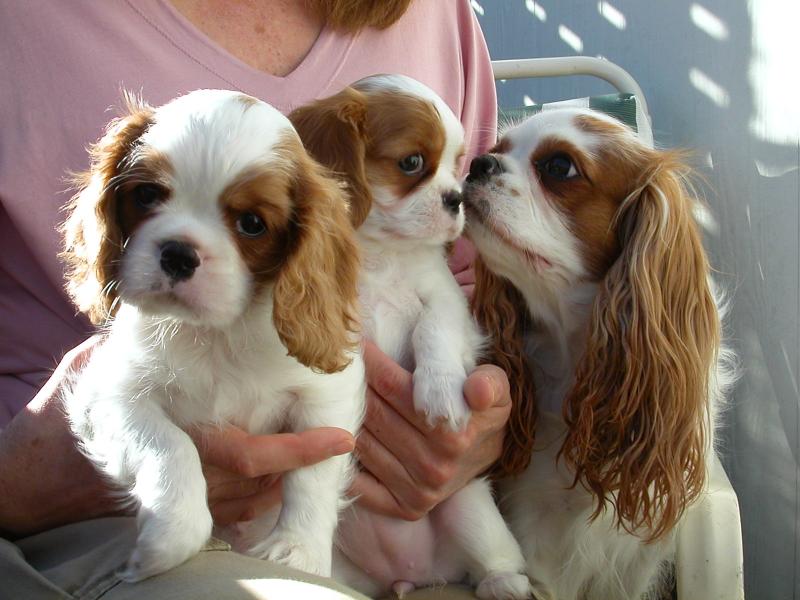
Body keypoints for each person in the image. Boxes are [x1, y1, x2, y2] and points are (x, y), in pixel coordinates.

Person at [0, 1, 507, 598]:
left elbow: (474, 293)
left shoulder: (437, 15)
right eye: (148, 197)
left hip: (388, 528)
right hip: (81, 528)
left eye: (250, 224)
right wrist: (19, 482)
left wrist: (484, 419)